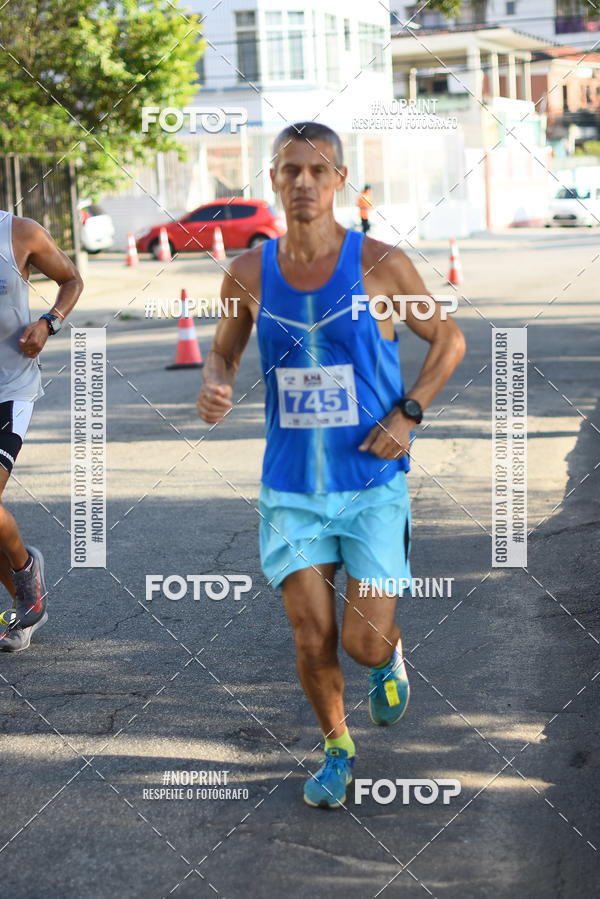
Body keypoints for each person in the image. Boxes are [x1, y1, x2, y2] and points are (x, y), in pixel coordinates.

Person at [197, 122, 465, 808]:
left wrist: (409, 413)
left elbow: (448, 338)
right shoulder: (248, 272)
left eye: (318, 171)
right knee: (309, 631)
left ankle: (388, 656)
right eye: (290, 171)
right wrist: (216, 378)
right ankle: (336, 750)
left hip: (371, 482)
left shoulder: (380, 265)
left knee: (362, 642)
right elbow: (223, 347)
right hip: (291, 485)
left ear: (340, 180)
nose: (304, 183)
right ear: (274, 179)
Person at [0, 211, 83, 651]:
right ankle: (24, 604)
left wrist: (48, 323)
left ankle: (26, 571)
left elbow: (71, 280)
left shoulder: (19, 233)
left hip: (9, 389)